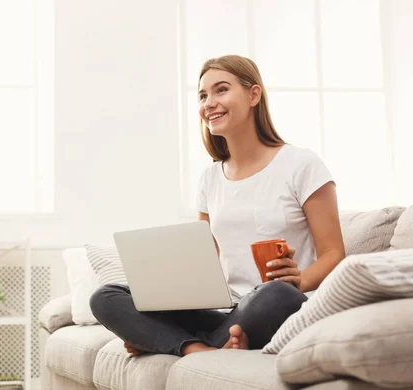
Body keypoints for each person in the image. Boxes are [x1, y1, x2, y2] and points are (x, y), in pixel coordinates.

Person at [90, 55, 346, 357]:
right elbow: (205, 261)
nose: (208, 102)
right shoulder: (210, 178)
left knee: (274, 292)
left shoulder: (301, 164)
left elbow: (334, 254)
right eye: (202, 95)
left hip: (282, 305)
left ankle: (173, 343)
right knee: (106, 296)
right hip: (230, 312)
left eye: (221, 90)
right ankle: (202, 350)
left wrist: (300, 279)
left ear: (253, 95)